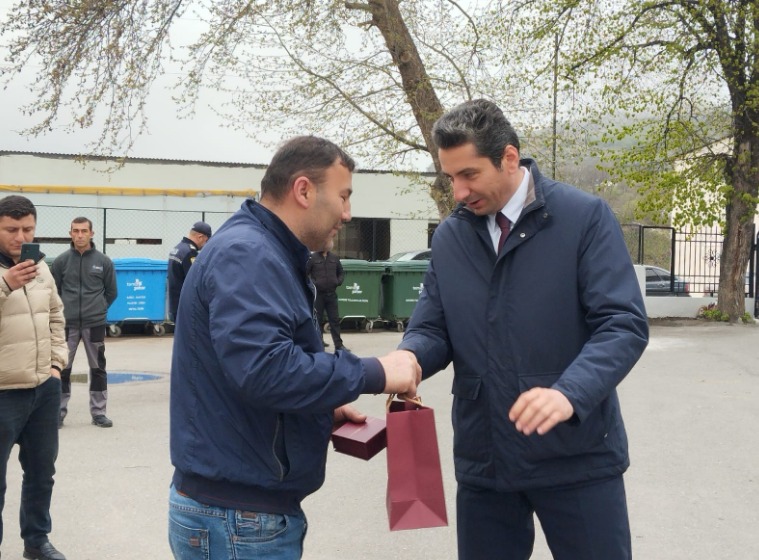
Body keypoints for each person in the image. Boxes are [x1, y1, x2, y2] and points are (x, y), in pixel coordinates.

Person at [397, 99, 649, 560]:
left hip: (576, 457)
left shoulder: (584, 218)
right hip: (486, 461)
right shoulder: (451, 237)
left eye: (469, 174)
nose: (459, 191)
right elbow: (432, 328)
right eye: (450, 177)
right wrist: (408, 358)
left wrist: (569, 392)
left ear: (509, 158)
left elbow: (622, 324)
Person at [168, 135, 421, 560]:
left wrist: (320, 406)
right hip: (239, 520)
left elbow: (251, 369)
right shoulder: (249, 254)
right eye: (343, 196)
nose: (347, 213)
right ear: (303, 190)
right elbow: (265, 370)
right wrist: (376, 372)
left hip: (235, 513)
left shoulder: (261, 249)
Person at [0, 195, 68, 560]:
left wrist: (56, 366)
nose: (20, 237)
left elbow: (56, 316)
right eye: (11, 229)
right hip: (3, 391)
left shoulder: (40, 266)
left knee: (42, 473)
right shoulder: (9, 274)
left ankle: (36, 541)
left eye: (27, 229)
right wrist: (6, 284)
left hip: (43, 388)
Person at [52, 217, 117, 429]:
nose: (79, 235)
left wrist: (98, 309)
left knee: (98, 368)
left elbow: (112, 292)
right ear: (70, 233)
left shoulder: (104, 261)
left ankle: (99, 413)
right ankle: (57, 413)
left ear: (91, 233)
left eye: (84, 231)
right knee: (62, 368)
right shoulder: (61, 261)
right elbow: (53, 292)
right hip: (66, 325)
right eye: (76, 231)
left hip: (94, 323)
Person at [307, 239, 348, 351]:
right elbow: (306, 274)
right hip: (318, 296)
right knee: (317, 320)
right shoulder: (312, 258)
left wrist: (337, 281)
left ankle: (339, 345)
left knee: (334, 320)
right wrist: (314, 283)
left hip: (331, 294)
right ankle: (319, 344)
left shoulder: (334, 258)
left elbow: (341, 272)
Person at [166, 221, 212, 322]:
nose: (206, 245)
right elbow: (195, 281)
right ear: (200, 237)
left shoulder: (177, 248)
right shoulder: (190, 253)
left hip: (174, 304)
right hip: (185, 306)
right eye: (206, 241)